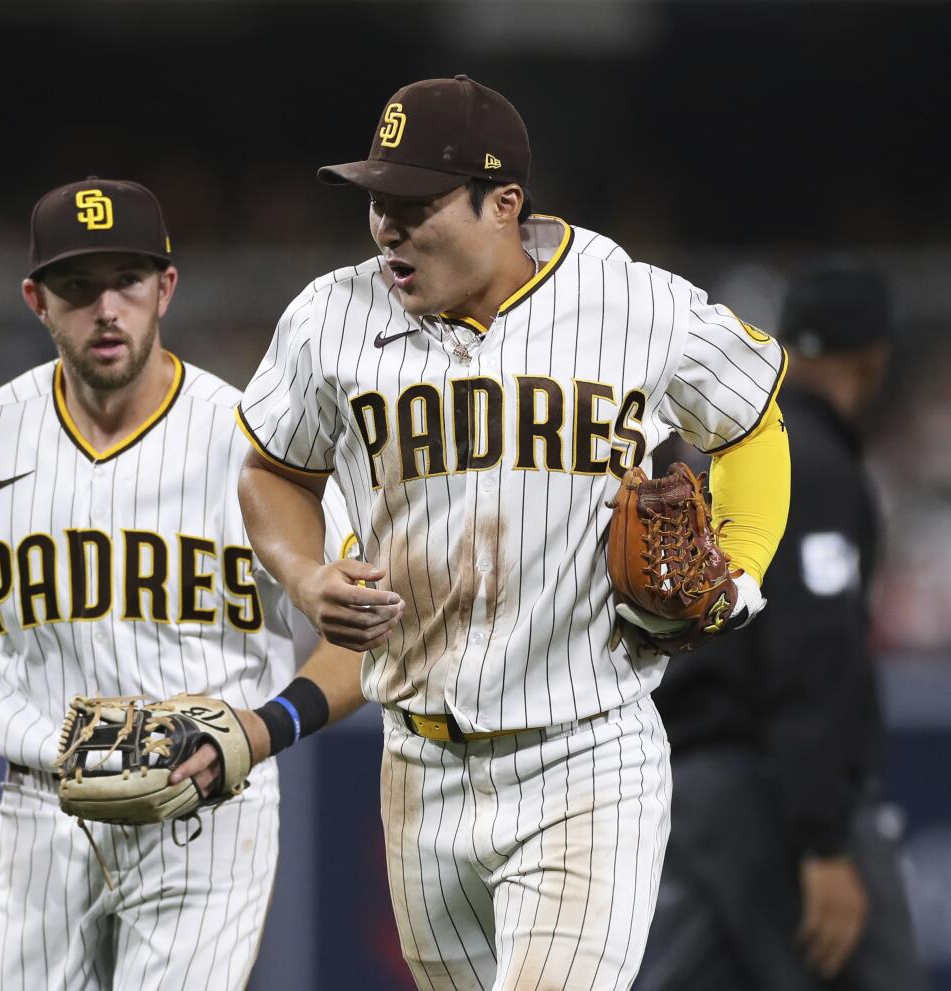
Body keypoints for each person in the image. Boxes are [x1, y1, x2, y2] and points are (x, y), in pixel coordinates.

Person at [226, 75, 793, 990]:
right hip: (416, 762)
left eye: (415, 204)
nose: (387, 229)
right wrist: (300, 575)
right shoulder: (330, 315)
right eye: (377, 202)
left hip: (587, 746)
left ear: (504, 203)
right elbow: (272, 470)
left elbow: (752, 418)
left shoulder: (629, 300)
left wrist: (741, 566)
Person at [0, 177, 355, 991]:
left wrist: (264, 729)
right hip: (44, 806)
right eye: (78, 286)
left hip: (207, 802)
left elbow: (363, 638)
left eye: (128, 282)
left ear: (165, 288)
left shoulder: (256, 441)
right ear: (37, 299)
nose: (107, 307)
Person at [637, 261, 924, 991]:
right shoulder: (817, 462)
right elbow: (812, 651)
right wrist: (823, 839)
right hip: (762, 788)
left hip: (697, 787)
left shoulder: (742, 451)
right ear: (874, 358)